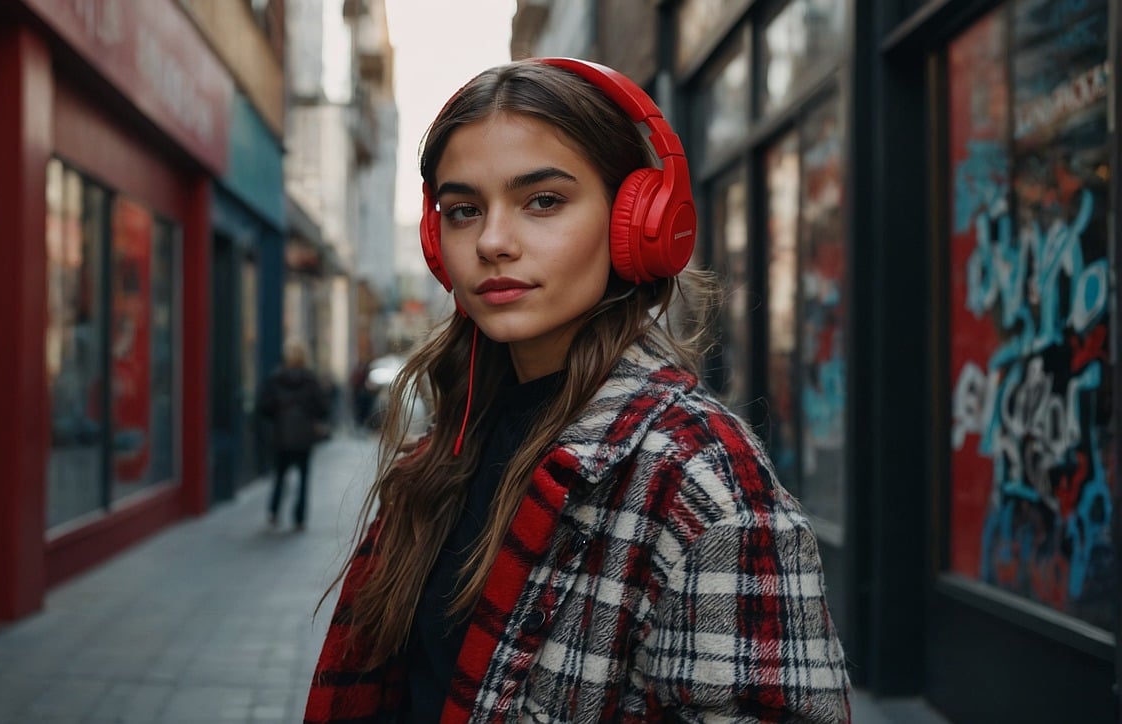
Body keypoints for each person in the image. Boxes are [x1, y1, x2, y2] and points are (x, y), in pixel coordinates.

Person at [306, 58, 850, 722]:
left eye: (543, 200)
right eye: (463, 210)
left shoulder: (698, 476)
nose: (493, 242)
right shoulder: (452, 443)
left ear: (637, 223)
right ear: (433, 238)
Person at [256, 341, 330, 531]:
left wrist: (280, 414)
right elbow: (322, 408)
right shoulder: (310, 379)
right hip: (304, 436)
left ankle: (273, 512)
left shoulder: (275, 378)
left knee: (280, 476)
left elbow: (264, 406)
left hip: (282, 435)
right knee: (303, 478)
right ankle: (299, 518)